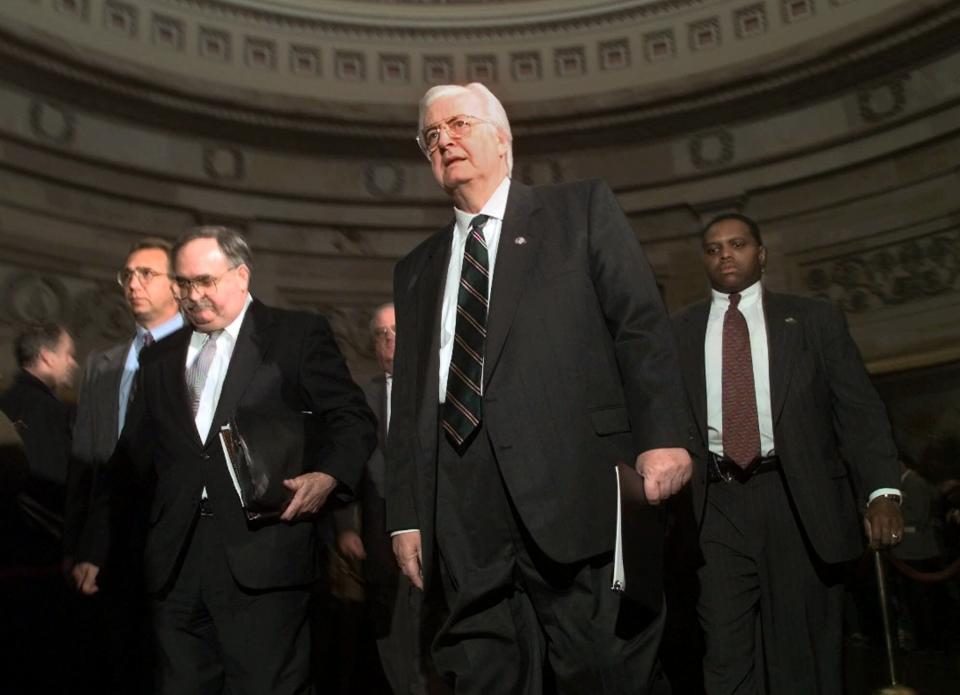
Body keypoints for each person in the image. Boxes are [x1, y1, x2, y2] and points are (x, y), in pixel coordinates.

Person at [387, 82, 692, 693]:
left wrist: (664, 437)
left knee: (605, 671)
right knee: (483, 675)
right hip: (462, 513)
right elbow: (412, 401)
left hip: (574, 491)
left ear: (503, 139)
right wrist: (407, 515)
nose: (444, 140)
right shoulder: (416, 268)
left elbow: (639, 327)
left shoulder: (578, 210)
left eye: (459, 124)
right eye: (430, 135)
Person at [74, 225, 377, 695]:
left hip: (265, 556)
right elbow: (127, 463)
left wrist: (329, 475)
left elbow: (352, 419)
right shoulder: (159, 360)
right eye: (183, 283)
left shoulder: (296, 336)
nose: (192, 296)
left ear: (241, 275)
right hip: (175, 565)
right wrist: (95, 548)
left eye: (205, 282)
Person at [671, 212, 904, 694]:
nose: (726, 255)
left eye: (737, 244)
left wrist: (883, 490)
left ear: (761, 254)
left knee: (801, 652)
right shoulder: (677, 331)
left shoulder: (814, 319)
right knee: (724, 650)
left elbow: (858, 411)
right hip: (714, 506)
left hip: (797, 499)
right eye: (714, 249)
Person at [66, 237, 184, 691]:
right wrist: (78, 545)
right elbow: (86, 461)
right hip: (108, 543)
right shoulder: (102, 364)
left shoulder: (202, 355)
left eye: (146, 274)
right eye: (127, 275)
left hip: (176, 542)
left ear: (177, 286)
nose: (133, 283)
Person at [335, 302, 431, 694]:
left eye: (396, 331)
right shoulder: (361, 396)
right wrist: (344, 526)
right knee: (386, 625)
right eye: (381, 333)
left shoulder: (434, 393)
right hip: (378, 536)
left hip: (432, 534)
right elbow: (346, 461)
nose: (389, 340)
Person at [0, 323, 78, 693]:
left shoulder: (6, 401)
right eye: (68, 354)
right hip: (37, 565)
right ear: (47, 357)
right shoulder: (49, 411)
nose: (74, 364)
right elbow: (54, 486)